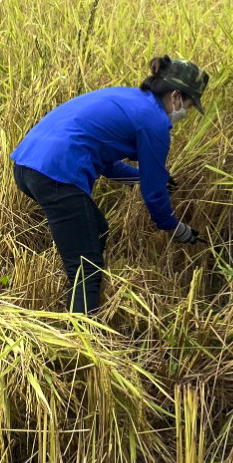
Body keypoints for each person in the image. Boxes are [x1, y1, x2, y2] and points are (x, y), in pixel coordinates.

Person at [11, 56, 209, 313]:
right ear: (175, 96)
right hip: (57, 174)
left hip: (27, 166)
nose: (186, 112)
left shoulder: (128, 98)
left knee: (98, 230)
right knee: (85, 268)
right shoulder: (155, 122)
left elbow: (106, 164)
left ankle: (82, 307)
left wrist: (144, 177)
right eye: (190, 105)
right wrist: (174, 227)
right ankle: (79, 341)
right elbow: (153, 193)